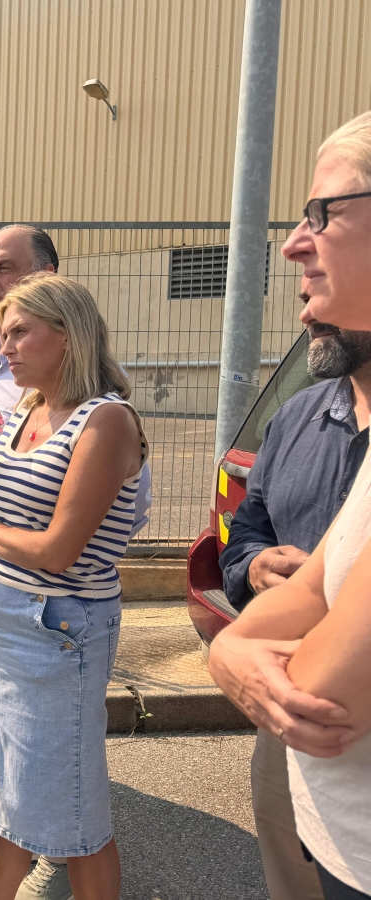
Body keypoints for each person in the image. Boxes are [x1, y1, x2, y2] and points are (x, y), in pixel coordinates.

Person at [210, 110, 371, 900]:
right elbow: (248, 540)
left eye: (321, 214)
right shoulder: (298, 416)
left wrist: (239, 654)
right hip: (306, 755)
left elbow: (325, 691)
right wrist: (252, 576)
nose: (292, 246)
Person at [0, 273, 147, 900]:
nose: (3, 346)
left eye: (19, 332)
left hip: (55, 630)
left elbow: (59, 552)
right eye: (3, 332)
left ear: (68, 336)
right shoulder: (25, 410)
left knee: (71, 813)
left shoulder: (106, 420)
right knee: (3, 795)